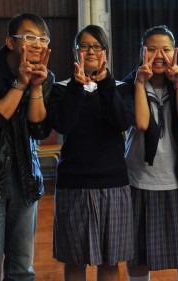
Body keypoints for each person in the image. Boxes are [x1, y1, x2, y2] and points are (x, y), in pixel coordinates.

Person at [0, 12, 54, 281]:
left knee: (22, 269)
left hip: (25, 180)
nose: (37, 44)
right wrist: (20, 83)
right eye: (29, 37)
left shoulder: (45, 76)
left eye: (42, 39)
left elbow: (39, 129)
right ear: (10, 42)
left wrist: (35, 87)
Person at [49, 25, 134, 281]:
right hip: (74, 183)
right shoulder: (61, 88)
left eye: (97, 46)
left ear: (105, 51)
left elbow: (121, 121)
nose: (90, 51)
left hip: (113, 182)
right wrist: (77, 86)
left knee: (110, 261)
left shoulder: (120, 87)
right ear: (75, 52)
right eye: (84, 46)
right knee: (75, 261)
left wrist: (105, 83)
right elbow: (63, 124)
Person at [123, 25, 178, 281]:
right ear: (142, 52)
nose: (159, 56)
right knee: (137, 254)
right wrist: (140, 83)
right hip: (140, 180)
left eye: (165, 50)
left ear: (175, 52)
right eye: (152, 49)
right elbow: (141, 123)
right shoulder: (128, 84)